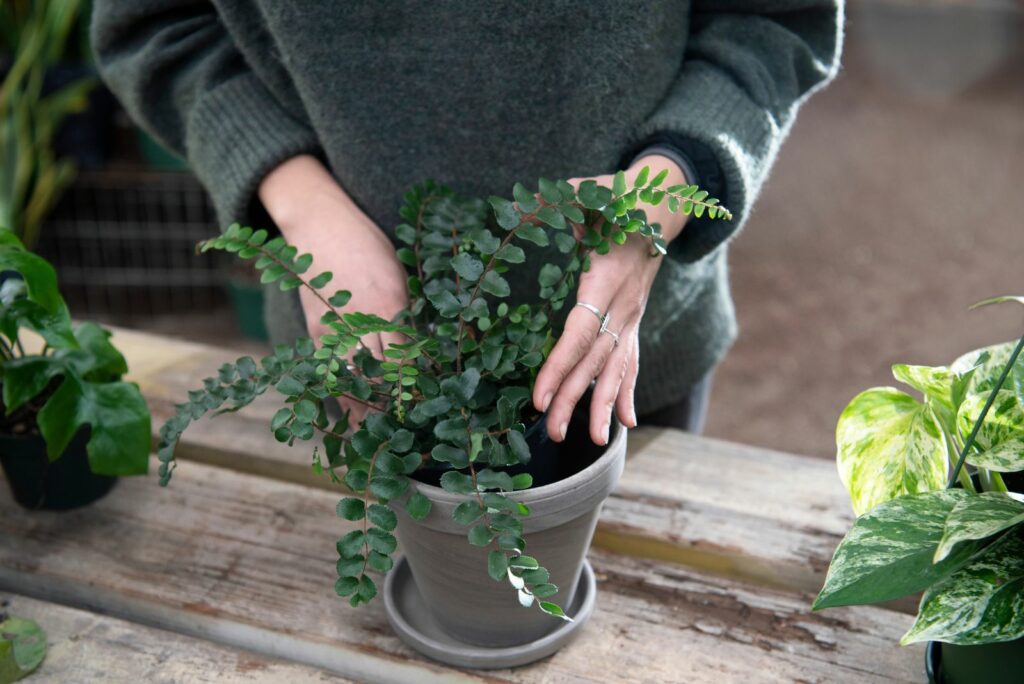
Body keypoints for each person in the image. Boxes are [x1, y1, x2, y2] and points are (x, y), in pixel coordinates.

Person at [92, 1, 843, 445]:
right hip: (370, 367)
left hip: (628, 357)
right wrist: (302, 204)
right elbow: (158, 25)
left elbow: (772, 19)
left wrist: (665, 192)